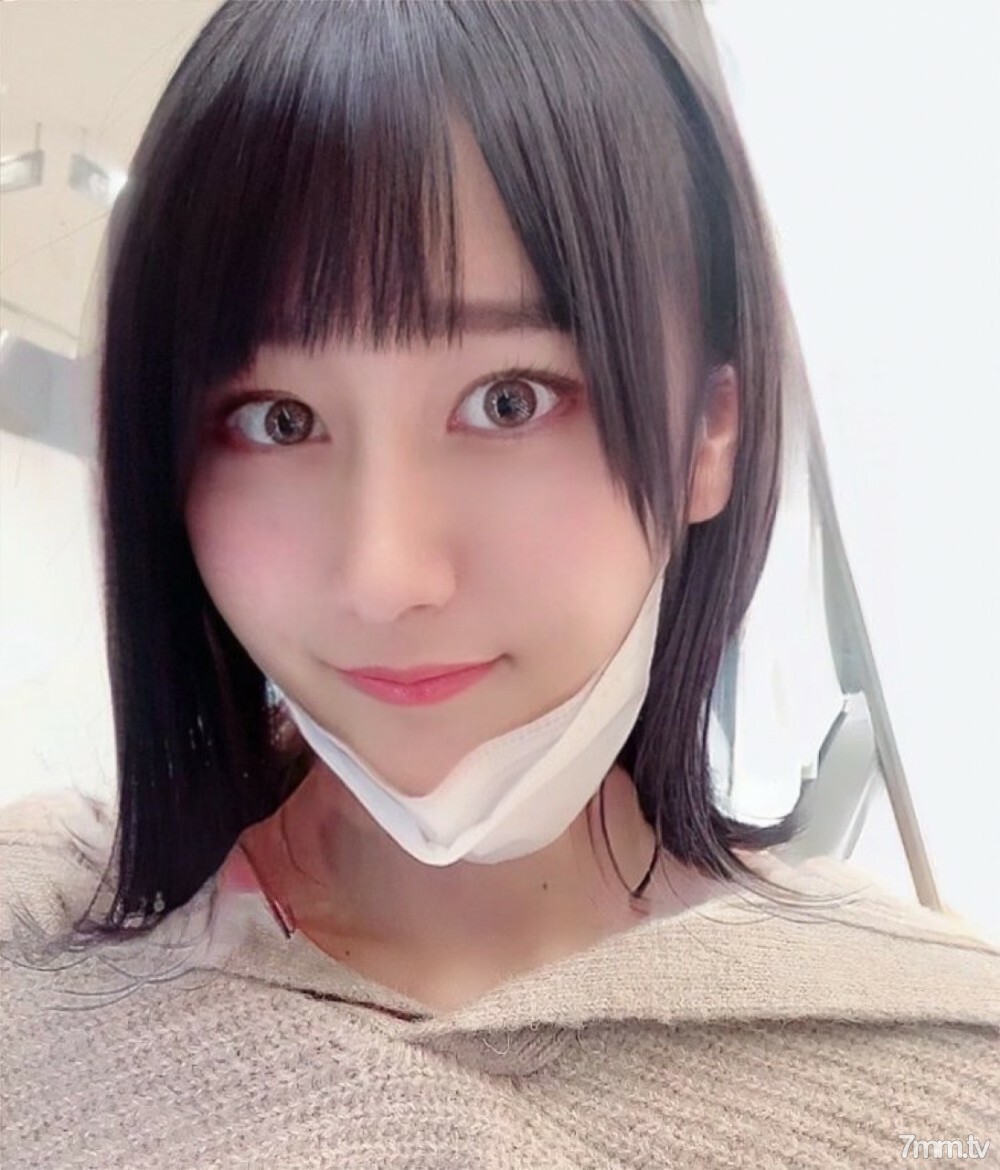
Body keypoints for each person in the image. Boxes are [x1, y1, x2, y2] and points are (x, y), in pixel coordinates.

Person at [1, 2, 997, 1166]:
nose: (385, 577)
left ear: (707, 433)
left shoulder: (942, 1082)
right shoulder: (34, 953)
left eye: (508, 401)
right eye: (278, 420)